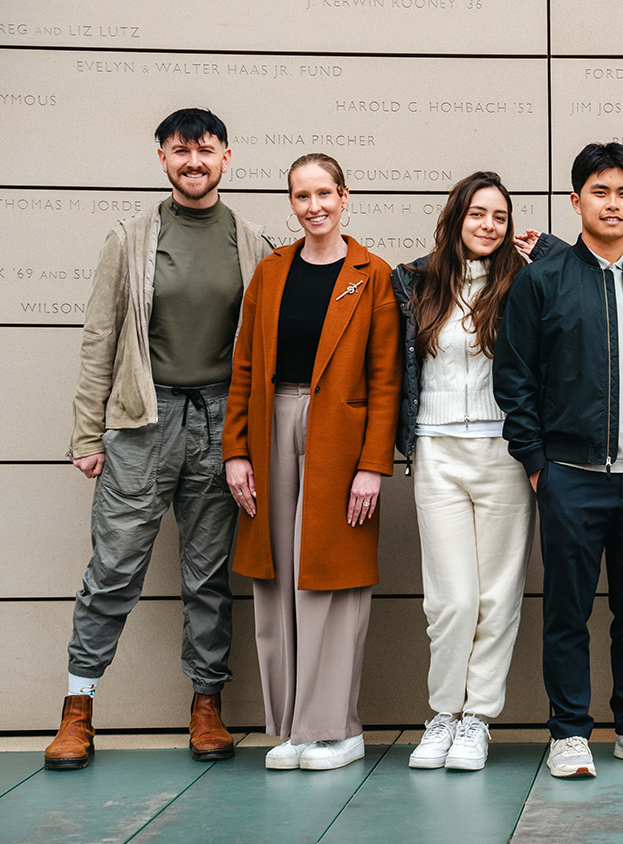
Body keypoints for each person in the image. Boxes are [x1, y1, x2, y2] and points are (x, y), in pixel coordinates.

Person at [46, 108, 273, 771]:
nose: (193, 161)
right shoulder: (131, 238)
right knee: (113, 570)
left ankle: (207, 707)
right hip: (143, 426)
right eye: (181, 151)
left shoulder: (252, 241)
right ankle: (77, 712)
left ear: (227, 157)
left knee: (207, 577)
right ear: (163, 159)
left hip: (218, 426)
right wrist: (88, 433)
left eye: (205, 150)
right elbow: (100, 339)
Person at [494, 142, 623, 779]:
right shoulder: (542, 279)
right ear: (575, 201)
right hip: (570, 478)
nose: (613, 203)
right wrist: (535, 462)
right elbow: (515, 377)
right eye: (599, 192)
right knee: (567, 611)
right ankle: (569, 732)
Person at [222, 153, 400, 772]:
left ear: (344, 196)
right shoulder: (269, 273)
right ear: (291, 203)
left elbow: (386, 379)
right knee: (274, 580)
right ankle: (290, 728)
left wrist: (374, 463)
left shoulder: (371, 274)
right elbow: (243, 368)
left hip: (341, 443)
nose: (314, 206)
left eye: (325, 193)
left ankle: (336, 730)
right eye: (302, 196)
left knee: (332, 579)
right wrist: (236, 452)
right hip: (272, 430)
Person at [392, 172, 555, 771]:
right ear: (456, 217)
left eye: (500, 217)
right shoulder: (414, 283)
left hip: (504, 453)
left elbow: (579, 272)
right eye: (477, 214)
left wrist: (547, 248)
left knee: (497, 596)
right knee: (451, 601)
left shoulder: (526, 283)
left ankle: (477, 719)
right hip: (436, 451)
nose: (488, 225)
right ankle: (442, 714)